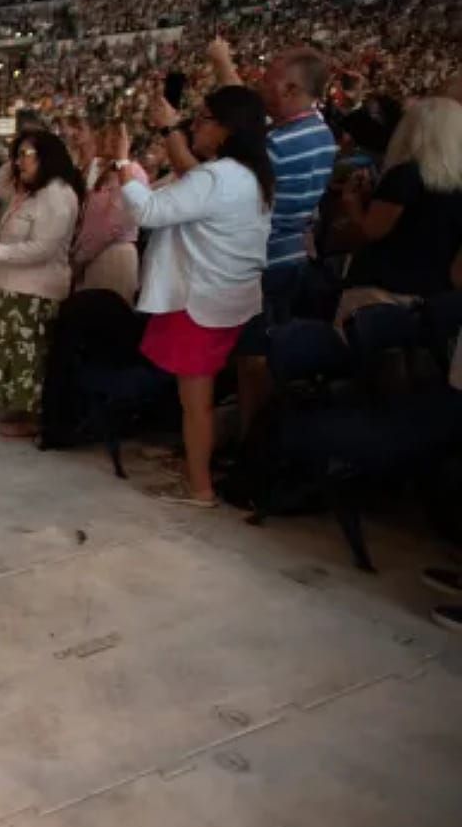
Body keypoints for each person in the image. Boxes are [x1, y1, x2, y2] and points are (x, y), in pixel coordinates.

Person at [117, 86, 273, 507]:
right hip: (228, 296)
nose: (195, 127)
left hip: (200, 299)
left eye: (203, 119)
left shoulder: (218, 177)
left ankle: (199, 487)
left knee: (196, 402)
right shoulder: (250, 173)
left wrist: (122, 167)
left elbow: (149, 212)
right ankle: (197, 465)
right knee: (199, 398)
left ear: (226, 129)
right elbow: (190, 182)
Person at [206, 38, 336, 436]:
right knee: (264, 354)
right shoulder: (320, 133)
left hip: (261, 262)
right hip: (291, 256)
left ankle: (254, 445)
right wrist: (223, 64)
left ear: (292, 90)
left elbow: (228, 175)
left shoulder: (279, 145)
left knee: (254, 361)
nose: (262, 86)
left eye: (269, 80)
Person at [0, 131, 83, 438]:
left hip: (35, 288)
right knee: (9, 352)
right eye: (18, 154)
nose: (20, 161)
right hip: (10, 283)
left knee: (29, 357)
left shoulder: (57, 195)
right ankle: (19, 409)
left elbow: (43, 249)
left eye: (28, 155)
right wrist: (17, 158)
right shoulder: (29, 190)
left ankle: (33, 417)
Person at [327, 97, 462, 324]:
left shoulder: (406, 175)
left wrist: (352, 204)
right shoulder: (455, 182)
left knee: (350, 357)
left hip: (381, 294)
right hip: (432, 299)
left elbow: (368, 232)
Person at [69, 119, 148, 302]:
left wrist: (81, 256)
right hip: (94, 255)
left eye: (115, 136)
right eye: (105, 135)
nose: (106, 141)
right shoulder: (105, 172)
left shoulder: (133, 172)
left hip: (113, 254)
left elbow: (113, 225)